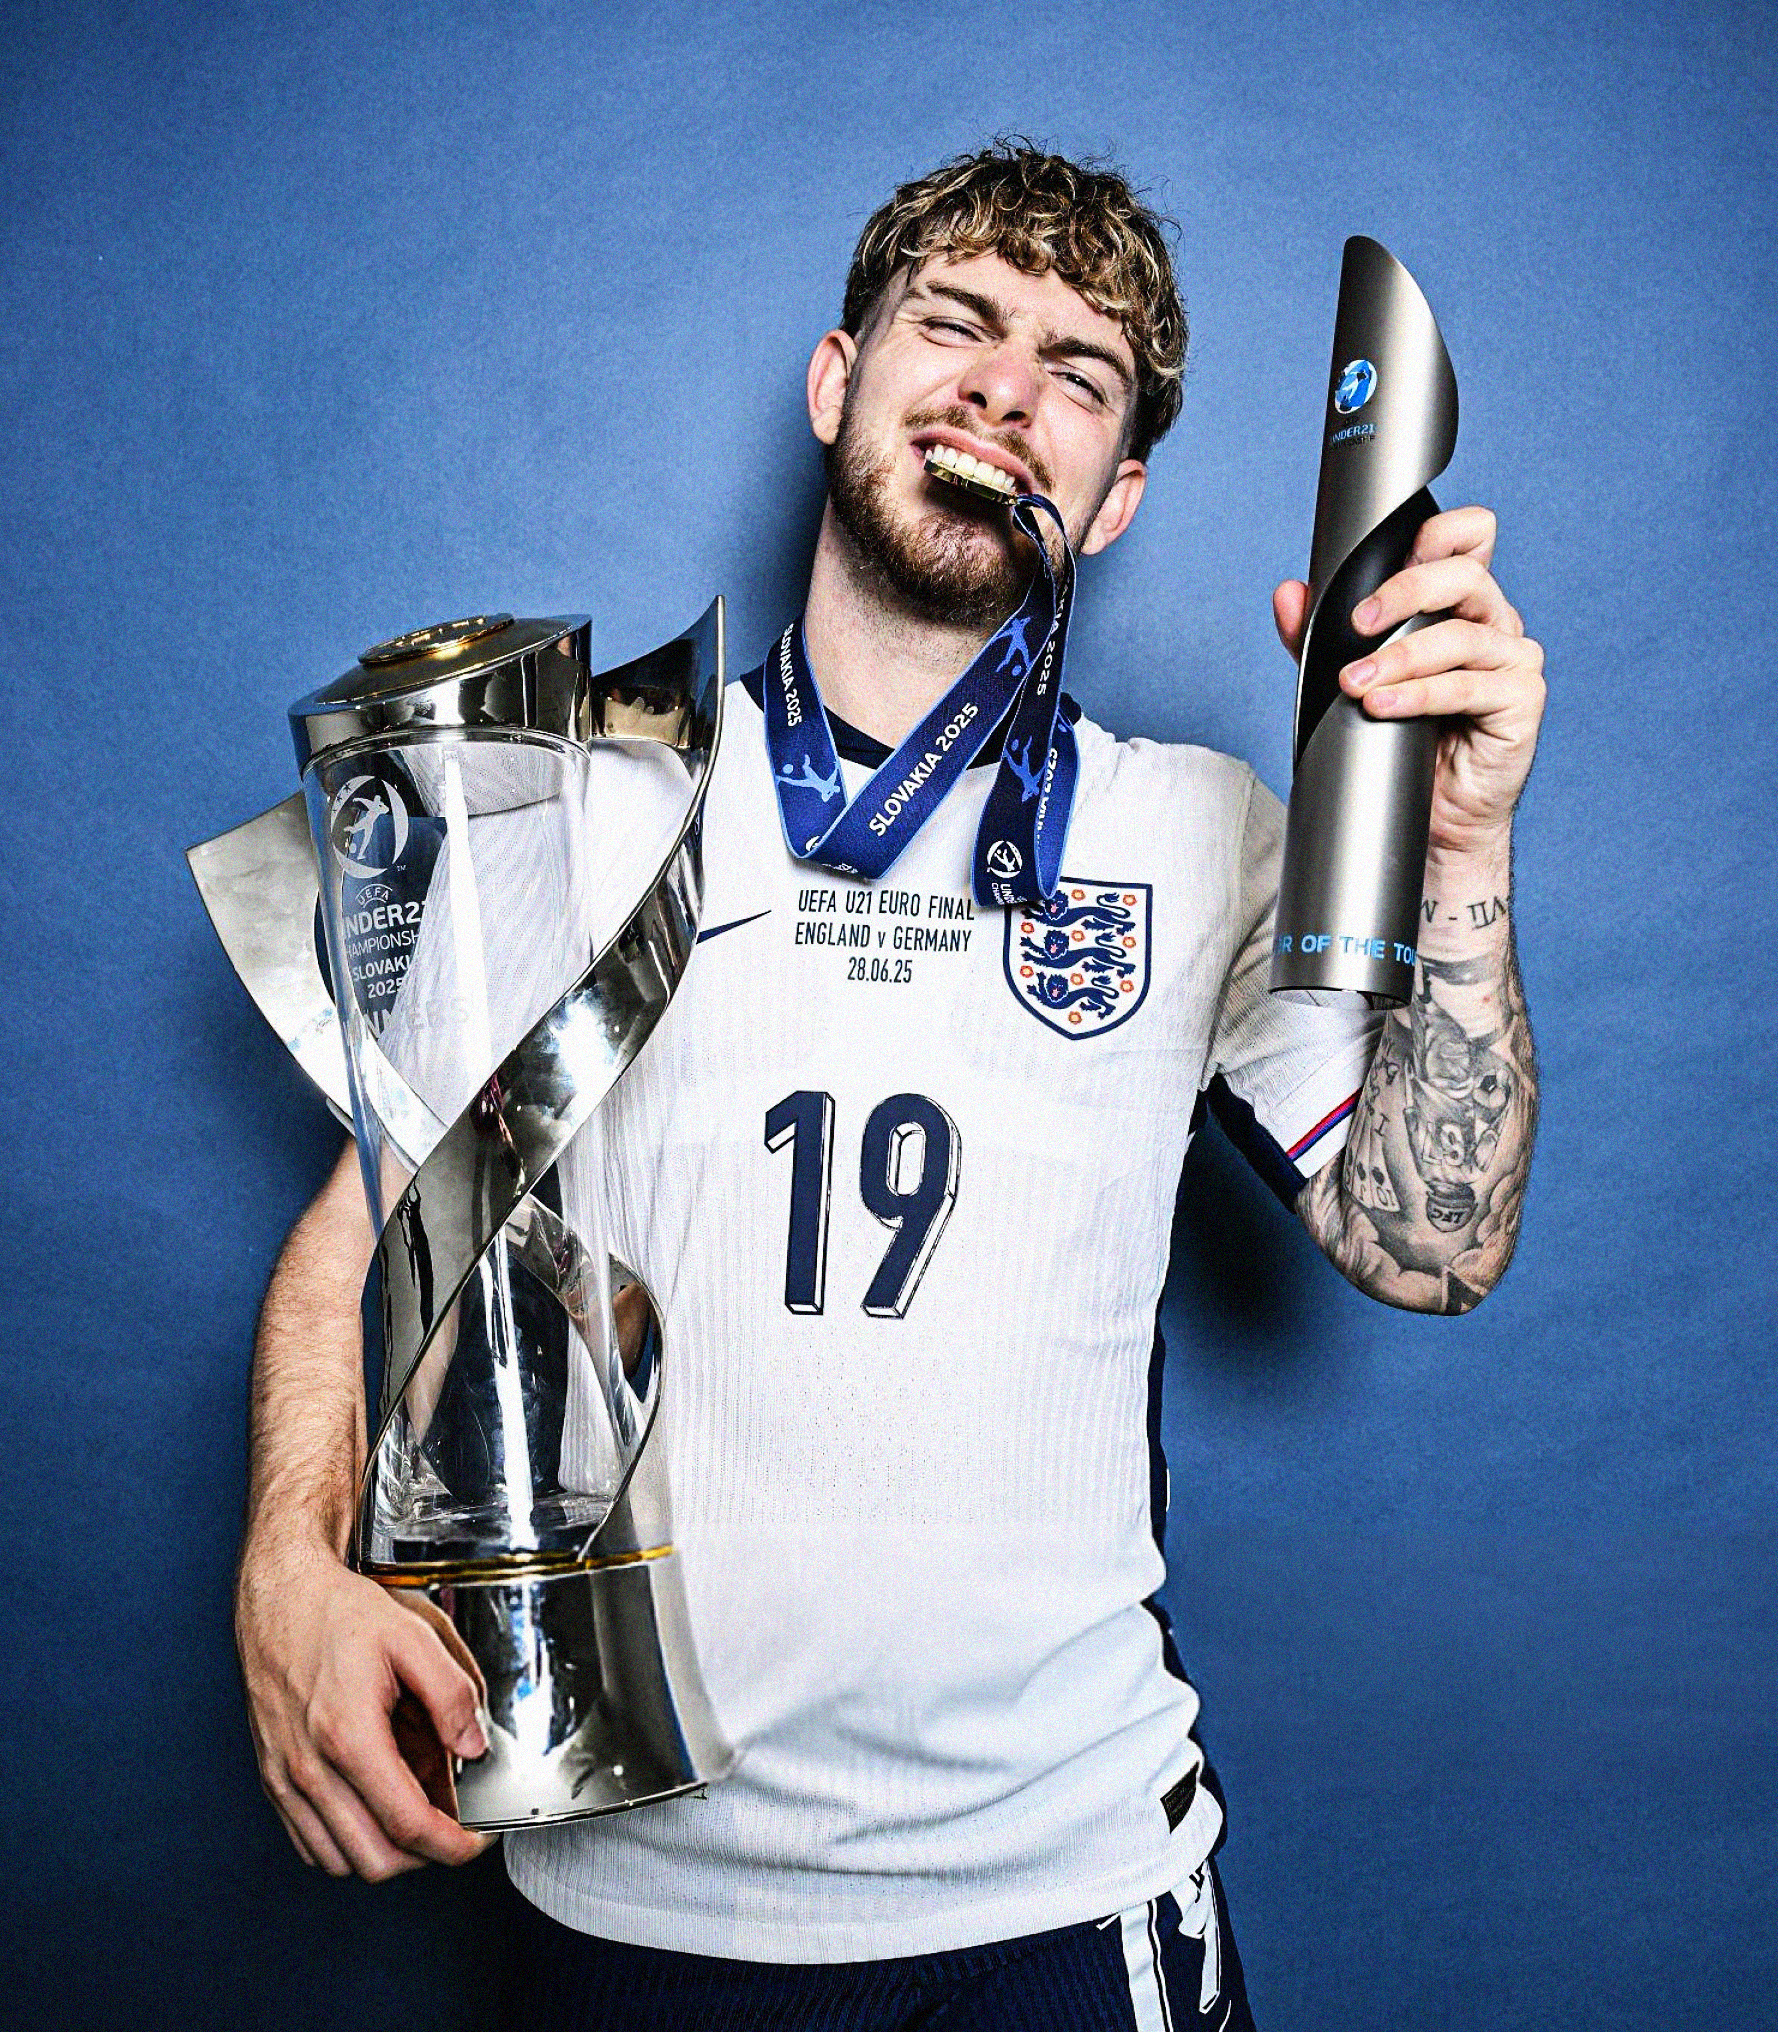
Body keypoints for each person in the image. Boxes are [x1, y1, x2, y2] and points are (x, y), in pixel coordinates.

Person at [234, 143, 1545, 2028]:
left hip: (1071, 1887)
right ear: (837, 383)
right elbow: (361, 1239)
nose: (1010, 391)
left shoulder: (1197, 834)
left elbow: (1431, 1247)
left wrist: (1468, 851)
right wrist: (285, 1567)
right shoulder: (579, 794)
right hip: (633, 1912)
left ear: (1113, 501)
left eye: (1077, 378)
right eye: (959, 326)